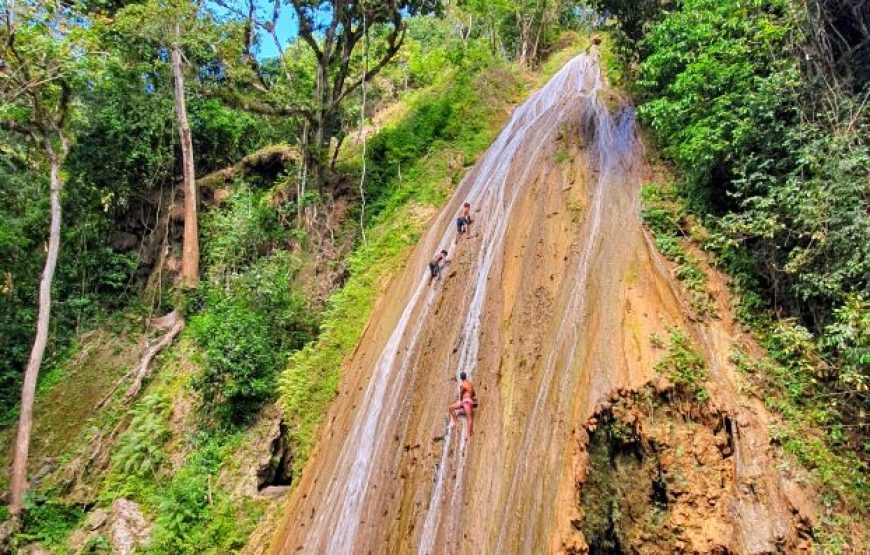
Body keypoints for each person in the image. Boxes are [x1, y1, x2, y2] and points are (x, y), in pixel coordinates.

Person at [448, 371, 476, 437]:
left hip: (465, 402)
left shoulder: (463, 385)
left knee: (451, 408)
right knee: (470, 418)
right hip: (469, 402)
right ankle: (470, 432)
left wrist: (460, 400)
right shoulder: (470, 384)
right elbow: (474, 394)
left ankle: (456, 422)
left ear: (461, 378)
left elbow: (461, 392)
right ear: (465, 376)